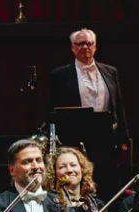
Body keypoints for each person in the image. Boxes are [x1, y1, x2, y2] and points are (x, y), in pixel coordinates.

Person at [49, 29, 129, 166]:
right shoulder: (60, 75)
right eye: (80, 44)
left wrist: (124, 139)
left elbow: (118, 106)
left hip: (107, 139)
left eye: (89, 43)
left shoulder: (110, 71)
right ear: (73, 48)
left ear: (95, 47)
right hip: (76, 139)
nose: (85, 47)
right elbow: (54, 109)